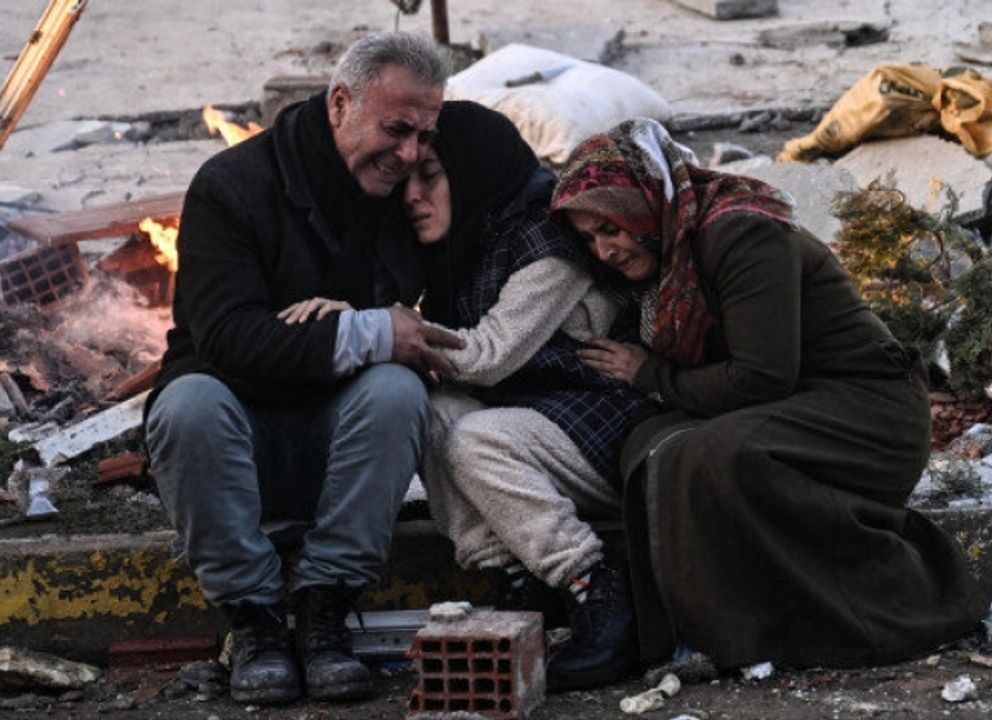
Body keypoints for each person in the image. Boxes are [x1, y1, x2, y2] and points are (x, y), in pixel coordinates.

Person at [549, 119, 988, 672]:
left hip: (870, 410)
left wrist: (650, 376)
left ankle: (878, 609)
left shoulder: (738, 234)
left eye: (610, 227)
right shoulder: (674, 255)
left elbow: (761, 378)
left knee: (704, 454)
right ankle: (696, 630)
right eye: (590, 239)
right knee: (650, 445)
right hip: (801, 403)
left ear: (643, 203)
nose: (605, 250)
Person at [283, 101, 651, 690]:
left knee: (474, 438)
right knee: (425, 409)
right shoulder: (467, 245)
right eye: (406, 180)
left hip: (600, 424)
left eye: (430, 176)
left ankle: (597, 586)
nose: (412, 196)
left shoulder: (547, 241)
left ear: (475, 171)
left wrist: (369, 327)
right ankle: (513, 580)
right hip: (535, 422)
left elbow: (486, 356)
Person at [144, 32, 462, 705]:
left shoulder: (400, 194)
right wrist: (365, 329)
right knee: (188, 405)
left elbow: (419, 324)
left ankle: (324, 607)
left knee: (397, 391)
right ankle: (254, 618)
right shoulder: (231, 187)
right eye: (396, 129)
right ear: (340, 103)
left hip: (341, 448)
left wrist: (346, 326)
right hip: (235, 444)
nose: (408, 154)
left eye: (422, 136)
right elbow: (229, 340)